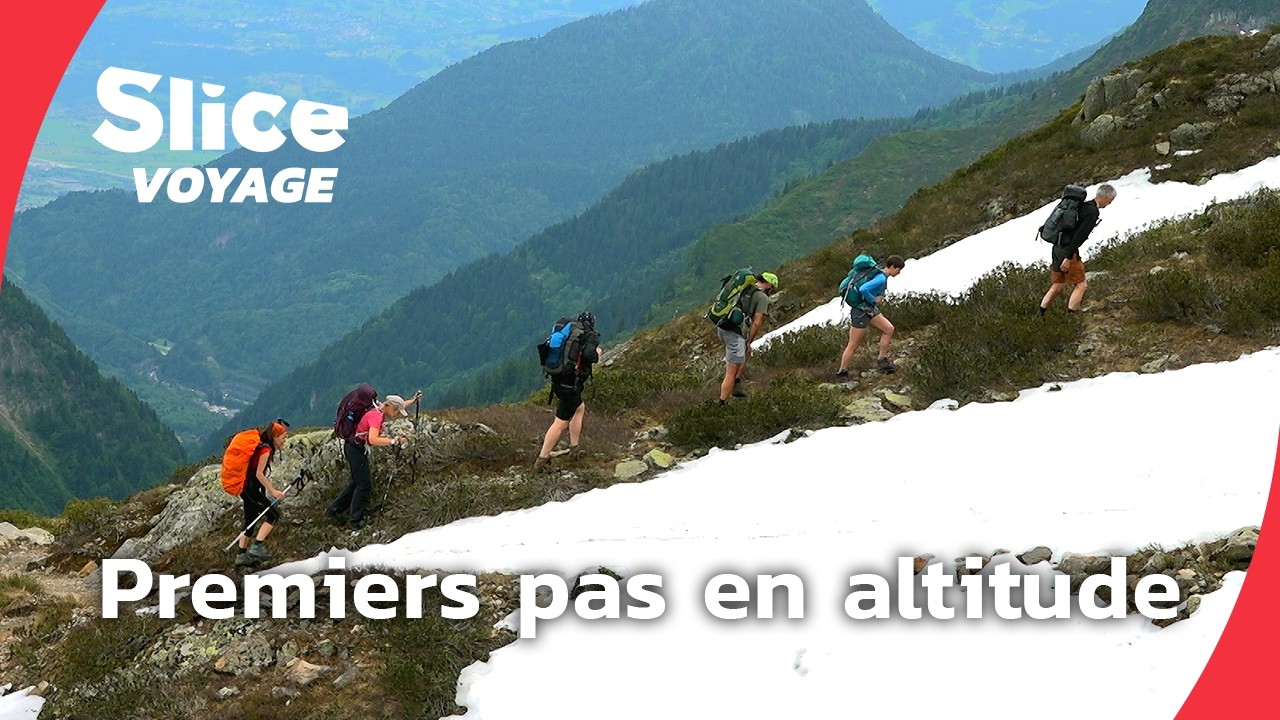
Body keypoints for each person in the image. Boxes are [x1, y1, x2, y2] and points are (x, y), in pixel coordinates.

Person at [327, 391, 421, 529]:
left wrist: (412, 401)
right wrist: (393, 441)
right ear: (391, 407)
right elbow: (372, 439)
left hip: (353, 447)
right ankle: (355, 522)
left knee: (356, 482)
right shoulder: (376, 416)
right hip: (355, 450)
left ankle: (334, 510)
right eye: (397, 411)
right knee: (364, 485)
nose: (397, 415)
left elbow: (399, 405)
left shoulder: (378, 406)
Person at [535, 312, 602, 471]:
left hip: (558, 380)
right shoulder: (589, 336)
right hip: (570, 384)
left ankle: (574, 449)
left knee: (579, 408)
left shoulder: (569, 330)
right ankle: (541, 461)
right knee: (560, 422)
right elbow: (588, 355)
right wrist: (597, 354)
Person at [1039, 183, 1117, 315]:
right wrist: (1069, 257)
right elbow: (1079, 237)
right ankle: (1071, 316)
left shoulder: (1083, 206)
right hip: (1068, 251)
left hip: (1057, 247)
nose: (1109, 204)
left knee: (1058, 284)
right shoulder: (1092, 212)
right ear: (1105, 197)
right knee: (1081, 285)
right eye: (1110, 200)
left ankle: (1041, 314)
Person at [837, 255, 905, 376]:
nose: (899, 273)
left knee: (888, 329)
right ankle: (842, 371)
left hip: (869, 310)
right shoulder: (881, 278)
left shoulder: (880, 275)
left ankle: (882, 360)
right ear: (893, 267)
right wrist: (873, 299)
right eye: (898, 270)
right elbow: (864, 288)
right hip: (861, 311)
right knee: (853, 344)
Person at [235, 419, 289, 567]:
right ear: (275, 437)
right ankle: (257, 546)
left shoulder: (262, 446)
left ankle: (241, 555)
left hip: (246, 488)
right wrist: (273, 491)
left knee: (250, 519)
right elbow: (259, 474)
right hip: (251, 488)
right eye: (283, 438)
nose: (285, 441)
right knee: (273, 515)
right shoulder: (266, 450)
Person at [717, 272, 778, 404]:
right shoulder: (762, 297)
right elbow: (758, 321)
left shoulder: (745, 287)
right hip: (735, 333)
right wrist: (749, 340)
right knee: (731, 371)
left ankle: (736, 382)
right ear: (769, 285)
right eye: (773, 289)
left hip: (722, 327)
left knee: (747, 351)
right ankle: (722, 403)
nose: (772, 292)